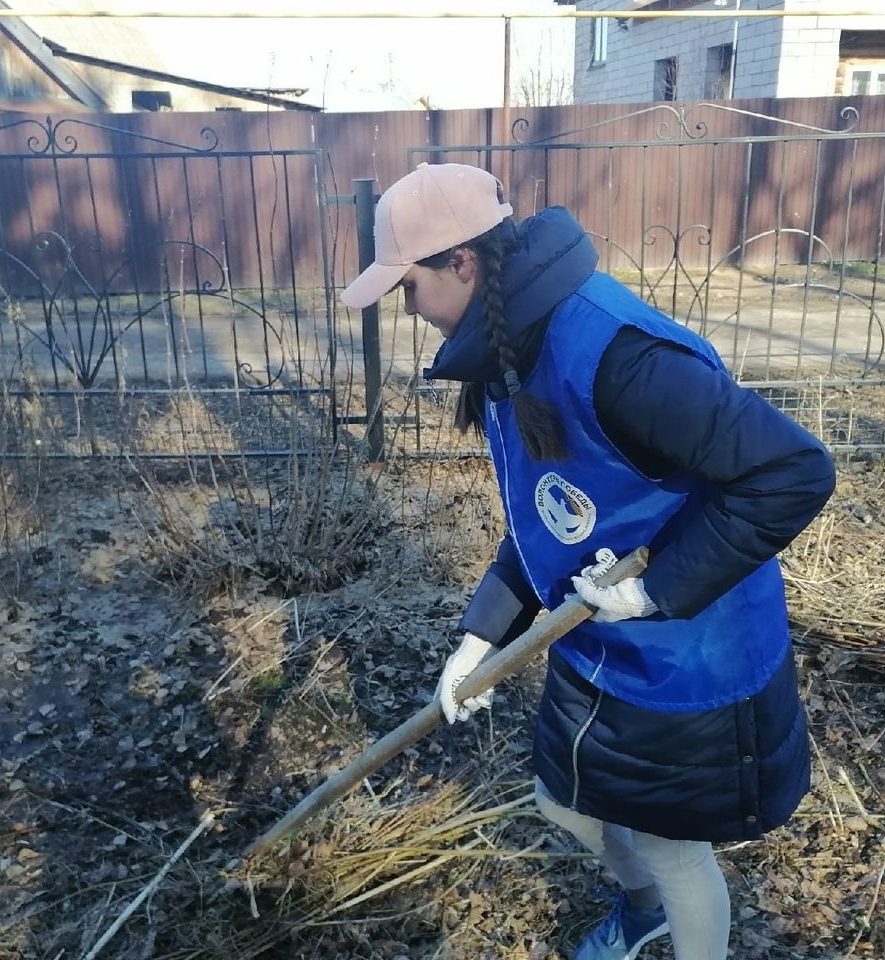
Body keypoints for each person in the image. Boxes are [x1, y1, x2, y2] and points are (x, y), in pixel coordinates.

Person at [340, 162, 835, 960]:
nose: (408, 306)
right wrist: (481, 636)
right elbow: (556, 514)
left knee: (674, 847)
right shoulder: (510, 348)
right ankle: (642, 912)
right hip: (598, 637)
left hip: (689, 653)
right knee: (563, 803)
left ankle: (678, 926)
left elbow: (794, 472)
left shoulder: (623, 360)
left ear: (462, 263)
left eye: (408, 285)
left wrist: (656, 593)